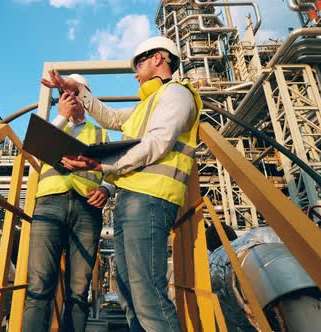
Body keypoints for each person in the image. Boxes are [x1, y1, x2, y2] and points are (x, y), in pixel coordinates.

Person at [41, 36, 203, 331]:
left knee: (148, 296)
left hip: (151, 200)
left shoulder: (177, 95)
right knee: (129, 294)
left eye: (138, 62)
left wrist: (102, 165)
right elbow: (112, 118)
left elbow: (158, 143)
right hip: (131, 201)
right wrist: (79, 90)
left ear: (158, 58)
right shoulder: (148, 104)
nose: (135, 70)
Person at [22, 74, 114, 332]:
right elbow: (30, 153)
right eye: (65, 95)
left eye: (75, 94)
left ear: (86, 98)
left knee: (78, 291)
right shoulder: (53, 125)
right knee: (39, 285)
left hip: (88, 208)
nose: (71, 99)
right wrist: (60, 116)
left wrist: (106, 189)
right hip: (50, 203)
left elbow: (114, 171)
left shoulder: (100, 132)